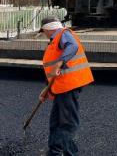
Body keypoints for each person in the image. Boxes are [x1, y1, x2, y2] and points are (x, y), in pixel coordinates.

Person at [39, 17, 94, 156]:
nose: (44, 34)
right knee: (55, 122)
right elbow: (53, 72)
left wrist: (60, 62)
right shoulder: (54, 41)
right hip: (60, 87)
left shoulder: (63, 34)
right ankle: (54, 152)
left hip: (69, 86)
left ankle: (70, 153)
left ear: (47, 29)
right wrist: (47, 89)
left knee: (67, 123)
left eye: (44, 31)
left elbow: (73, 46)